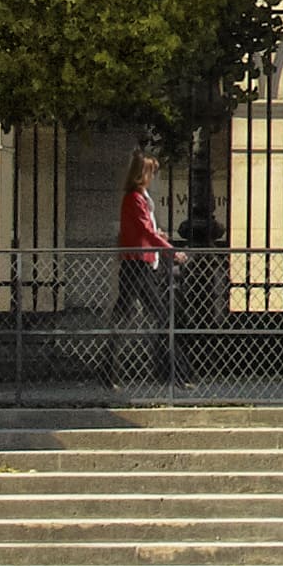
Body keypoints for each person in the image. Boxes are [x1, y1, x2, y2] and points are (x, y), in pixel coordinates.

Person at [107, 150, 178, 392]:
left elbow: (147, 230)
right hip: (137, 263)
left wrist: (159, 238)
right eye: (150, 171)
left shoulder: (141, 198)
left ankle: (166, 372)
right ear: (141, 173)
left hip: (142, 262)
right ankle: (165, 373)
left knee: (143, 315)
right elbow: (145, 231)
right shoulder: (134, 199)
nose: (152, 176)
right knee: (138, 315)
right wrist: (170, 250)